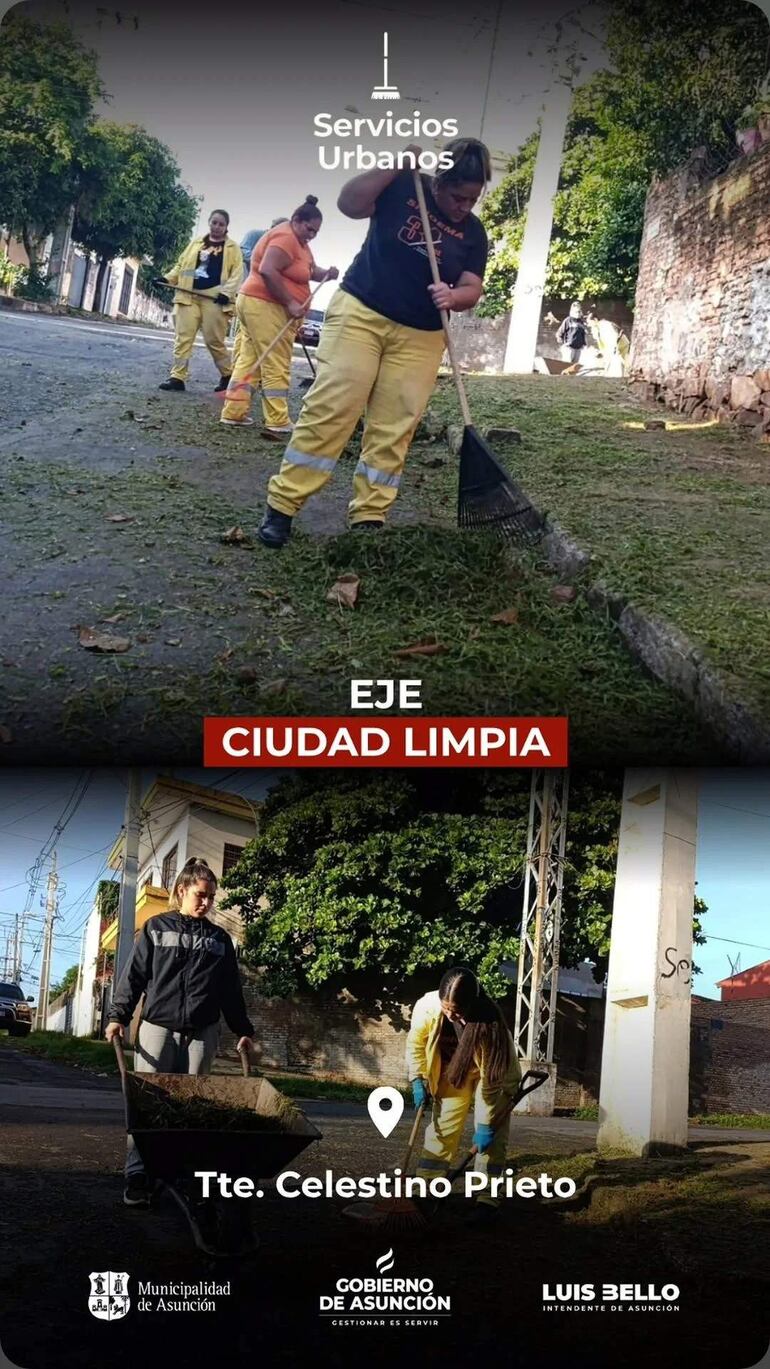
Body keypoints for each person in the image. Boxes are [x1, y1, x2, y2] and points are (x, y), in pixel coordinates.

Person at [257, 137, 492, 548]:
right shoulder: (404, 186)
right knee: (333, 406)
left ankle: (369, 516)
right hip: (361, 312)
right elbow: (350, 203)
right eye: (458, 196)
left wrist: (455, 297)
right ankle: (283, 506)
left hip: (421, 334)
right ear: (438, 182)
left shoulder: (473, 232)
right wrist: (396, 165)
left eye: (472, 199)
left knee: (396, 423)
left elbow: (472, 284)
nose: (464, 207)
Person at [105, 857, 255, 1208]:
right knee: (147, 1104)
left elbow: (231, 992)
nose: (206, 902)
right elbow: (133, 978)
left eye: (211, 897)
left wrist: (243, 1031)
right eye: (201, 895)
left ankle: (184, 1172)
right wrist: (118, 1016)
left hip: (202, 1032)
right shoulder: (156, 928)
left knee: (194, 1106)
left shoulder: (220, 941)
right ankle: (139, 1174)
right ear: (181, 890)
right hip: (158, 1028)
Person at [406, 965, 521, 1225]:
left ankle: (487, 1199)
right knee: (442, 1127)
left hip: (492, 1077)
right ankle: (428, 1186)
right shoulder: (427, 1006)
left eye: (456, 1010)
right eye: (445, 1007)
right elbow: (416, 1043)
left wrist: (484, 1125)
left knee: (490, 1141)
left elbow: (491, 1085)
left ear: (471, 1004)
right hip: (453, 1070)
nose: (449, 1013)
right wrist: (418, 1078)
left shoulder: (490, 1024)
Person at [220, 197, 338, 436]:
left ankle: (234, 411)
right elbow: (267, 270)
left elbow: (306, 270)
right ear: (296, 220)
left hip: (256, 303)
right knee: (276, 362)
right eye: (309, 228)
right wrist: (290, 302)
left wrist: (327, 273)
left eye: (316, 231)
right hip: (266, 305)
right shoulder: (285, 238)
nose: (312, 234)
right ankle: (277, 418)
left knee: (250, 360)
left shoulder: (299, 242)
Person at [156, 210, 243, 393]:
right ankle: (177, 377)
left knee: (214, 340)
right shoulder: (196, 243)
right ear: (209, 223)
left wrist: (226, 293)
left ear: (227, 227)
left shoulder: (232, 248)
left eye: (221, 224)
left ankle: (227, 375)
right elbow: (181, 266)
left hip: (214, 298)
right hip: (188, 294)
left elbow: (236, 274)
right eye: (214, 223)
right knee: (183, 337)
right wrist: (167, 279)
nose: (217, 227)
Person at [556, 301, 588, 366]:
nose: (578, 313)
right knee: (567, 365)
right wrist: (563, 343)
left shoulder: (581, 322)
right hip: (569, 347)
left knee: (574, 366)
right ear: (572, 310)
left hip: (578, 348)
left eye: (579, 311)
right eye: (576, 311)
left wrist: (584, 344)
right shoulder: (568, 320)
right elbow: (559, 333)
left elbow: (583, 334)